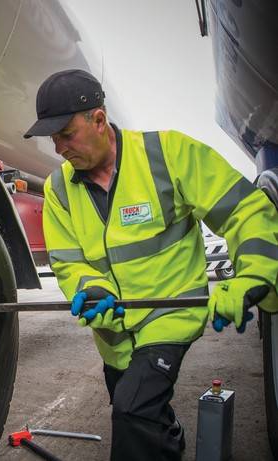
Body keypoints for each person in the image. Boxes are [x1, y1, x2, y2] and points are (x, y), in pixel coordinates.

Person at [24, 68, 278, 460]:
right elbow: (69, 263)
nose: (59, 149)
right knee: (138, 410)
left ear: (99, 119)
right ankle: (168, 437)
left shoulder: (167, 155)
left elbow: (245, 210)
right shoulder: (59, 190)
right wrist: (92, 290)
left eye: (65, 134)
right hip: (113, 334)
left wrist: (253, 274)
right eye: (53, 138)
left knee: (132, 411)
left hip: (168, 315)